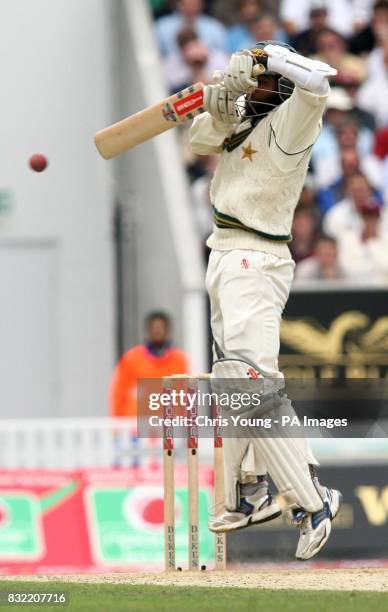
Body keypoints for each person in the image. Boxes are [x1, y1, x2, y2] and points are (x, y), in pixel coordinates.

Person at [189, 40, 341, 560]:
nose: (256, 92)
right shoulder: (241, 116)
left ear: (279, 84)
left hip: (258, 255)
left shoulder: (300, 117)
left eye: (262, 83)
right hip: (223, 253)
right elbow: (199, 139)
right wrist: (226, 91)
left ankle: (313, 500)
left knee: (249, 386)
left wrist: (265, 56)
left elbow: (320, 77)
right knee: (240, 385)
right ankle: (248, 492)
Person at [110, 312, 189, 417]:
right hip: (135, 422)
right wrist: (117, 422)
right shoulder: (132, 358)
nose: (157, 331)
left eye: (161, 327)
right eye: (154, 327)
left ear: (168, 331)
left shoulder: (179, 360)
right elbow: (119, 392)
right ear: (148, 331)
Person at [155, 0, 227, 56]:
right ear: (177, 4)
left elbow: (222, 55)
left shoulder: (215, 27)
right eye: (186, 3)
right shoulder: (162, 27)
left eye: (193, 4)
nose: (189, 7)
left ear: (201, 4)